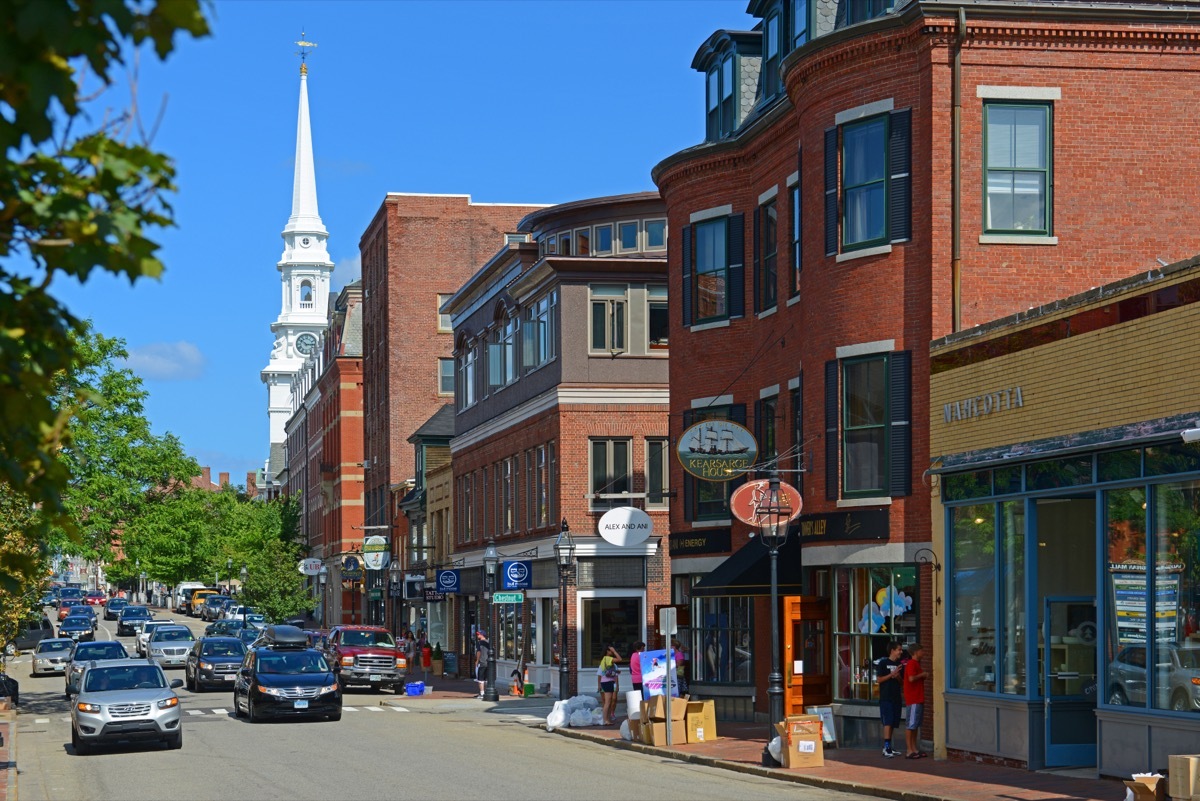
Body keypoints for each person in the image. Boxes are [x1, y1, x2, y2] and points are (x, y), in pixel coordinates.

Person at [876, 640, 905, 758]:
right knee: (887, 721)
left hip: (896, 697)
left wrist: (898, 677)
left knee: (893, 722)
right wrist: (891, 675)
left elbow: (902, 683)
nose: (901, 652)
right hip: (886, 697)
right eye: (899, 649)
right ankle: (886, 747)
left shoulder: (900, 665)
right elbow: (879, 680)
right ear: (892, 650)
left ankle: (889, 747)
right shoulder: (883, 663)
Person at [902, 642, 927, 759]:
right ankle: (909, 750)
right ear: (916, 652)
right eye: (921, 651)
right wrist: (922, 675)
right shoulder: (912, 663)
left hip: (918, 698)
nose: (923, 653)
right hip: (913, 699)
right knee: (911, 725)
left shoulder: (915, 663)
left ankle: (914, 748)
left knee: (915, 724)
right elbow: (911, 678)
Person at [596, 644, 621, 724]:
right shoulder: (608, 658)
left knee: (608, 702)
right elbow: (619, 659)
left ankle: (607, 718)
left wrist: (616, 672)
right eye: (610, 650)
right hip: (607, 682)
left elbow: (607, 671)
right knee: (607, 702)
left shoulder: (605, 659)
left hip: (607, 681)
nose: (612, 652)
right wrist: (614, 651)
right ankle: (605, 719)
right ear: (607, 651)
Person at [474, 630, 491, 699]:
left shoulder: (479, 643)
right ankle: (486, 692)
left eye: (479, 634)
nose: (477, 635)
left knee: (480, 679)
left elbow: (478, 652)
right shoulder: (489, 642)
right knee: (486, 678)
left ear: (482, 635)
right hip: (488, 663)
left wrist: (477, 661)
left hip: (482, 662)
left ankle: (482, 693)